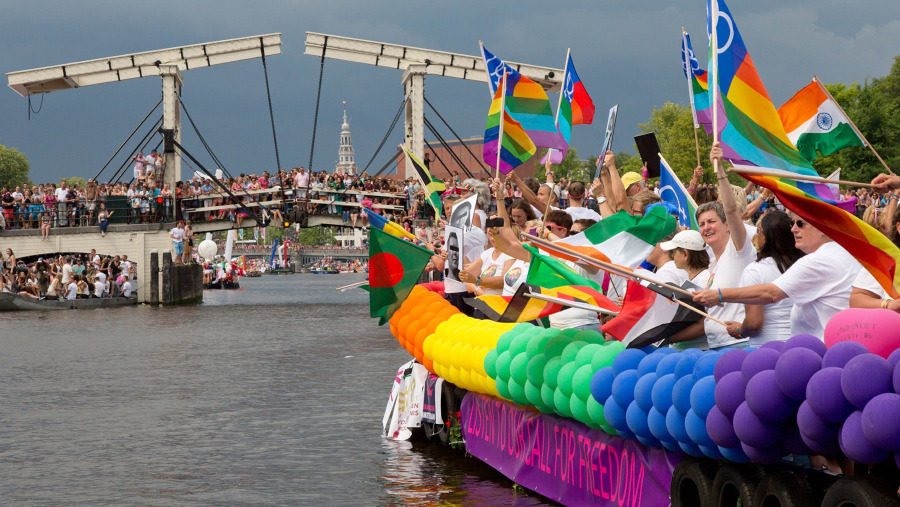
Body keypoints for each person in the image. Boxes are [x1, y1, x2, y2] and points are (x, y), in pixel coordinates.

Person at [694, 212, 861, 339]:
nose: (794, 229)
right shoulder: (843, 253)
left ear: (822, 229)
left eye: (801, 224)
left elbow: (770, 294)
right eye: (792, 223)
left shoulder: (817, 260)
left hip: (825, 348)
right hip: (839, 342)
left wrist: (719, 295)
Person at [672, 143, 755, 349]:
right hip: (715, 345)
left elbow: (731, 210)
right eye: (701, 224)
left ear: (727, 225)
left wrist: (719, 171)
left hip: (737, 345)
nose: (706, 228)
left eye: (711, 222)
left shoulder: (738, 250)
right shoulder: (712, 260)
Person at [724, 212, 804, 345]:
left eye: (759, 231)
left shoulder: (755, 270)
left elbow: (754, 323)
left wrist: (739, 330)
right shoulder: (804, 265)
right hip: (803, 343)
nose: (756, 235)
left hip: (767, 348)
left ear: (768, 237)